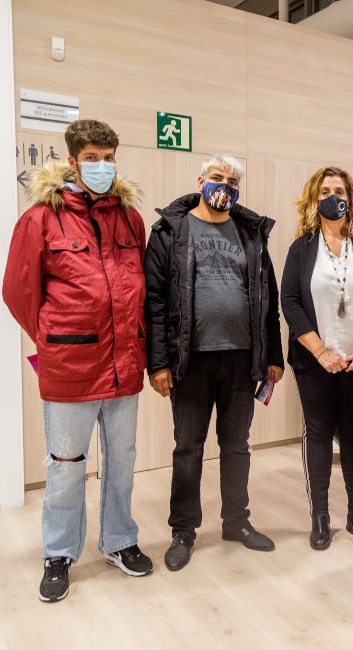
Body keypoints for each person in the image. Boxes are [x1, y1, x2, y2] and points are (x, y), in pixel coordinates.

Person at [2, 119, 153, 603]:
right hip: (71, 366)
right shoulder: (41, 217)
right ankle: (60, 552)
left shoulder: (130, 219)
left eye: (110, 157)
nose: (103, 166)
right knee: (67, 464)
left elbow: (139, 289)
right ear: (72, 160)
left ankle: (119, 541)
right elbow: (19, 293)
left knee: (122, 460)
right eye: (93, 157)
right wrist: (54, 339)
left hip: (124, 364)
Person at [144, 155, 284, 571]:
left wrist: (273, 356)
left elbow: (267, 299)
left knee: (237, 446)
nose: (225, 185)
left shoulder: (250, 232)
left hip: (242, 359)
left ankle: (236, 522)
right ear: (200, 180)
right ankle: (183, 530)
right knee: (188, 448)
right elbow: (152, 301)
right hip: (190, 361)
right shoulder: (172, 230)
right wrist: (158, 363)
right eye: (217, 178)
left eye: (233, 180)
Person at [281, 166, 353, 550]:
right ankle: (320, 516)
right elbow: (290, 303)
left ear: (351, 196)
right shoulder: (301, 247)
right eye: (326, 190)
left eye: (340, 189)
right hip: (315, 361)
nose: (334, 196)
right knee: (317, 434)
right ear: (314, 199)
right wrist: (321, 351)